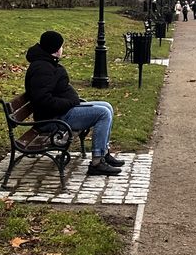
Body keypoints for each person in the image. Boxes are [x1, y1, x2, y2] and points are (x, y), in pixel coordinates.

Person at [24, 31, 123, 176]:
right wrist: (69, 102)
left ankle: (104, 152)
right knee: (103, 113)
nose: (62, 49)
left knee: (106, 106)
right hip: (53, 119)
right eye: (61, 46)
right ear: (56, 49)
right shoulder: (42, 68)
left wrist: (70, 101)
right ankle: (97, 162)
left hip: (61, 112)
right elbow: (43, 100)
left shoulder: (46, 63)